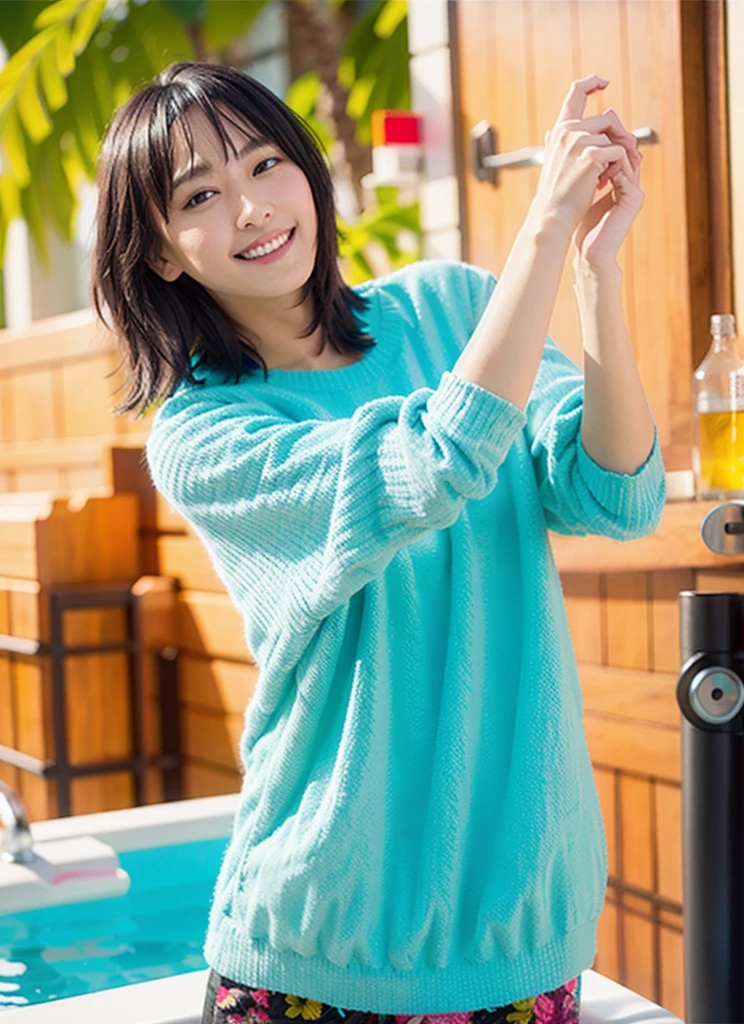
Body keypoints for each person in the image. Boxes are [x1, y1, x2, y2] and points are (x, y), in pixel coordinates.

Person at [91, 61, 664, 1024]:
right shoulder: (203, 435)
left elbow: (615, 495)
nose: (251, 209)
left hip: (521, 929)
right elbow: (435, 461)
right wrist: (541, 227)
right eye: (200, 195)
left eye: (266, 164)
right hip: (322, 945)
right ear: (160, 253)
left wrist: (594, 275)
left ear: (309, 173)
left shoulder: (452, 305)